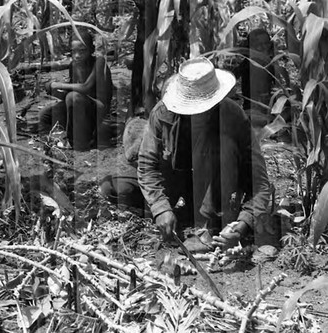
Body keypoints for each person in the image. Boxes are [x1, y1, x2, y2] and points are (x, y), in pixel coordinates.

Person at [137, 57, 272, 252]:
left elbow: (259, 182)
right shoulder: (162, 114)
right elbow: (146, 164)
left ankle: (207, 224)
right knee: (123, 189)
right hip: (177, 181)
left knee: (222, 145)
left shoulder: (233, 116)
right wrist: (161, 208)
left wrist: (243, 225)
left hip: (217, 185)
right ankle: (180, 214)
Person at [38, 29, 113, 151]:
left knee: (72, 97)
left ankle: (77, 141)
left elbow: (85, 87)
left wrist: (58, 85)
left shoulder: (99, 62)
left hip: (98, 108)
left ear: (91, 50)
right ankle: (48, 140)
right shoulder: (74, 65)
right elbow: (72, 90)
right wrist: (53, 90)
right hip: (80, 104)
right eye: (74, 52)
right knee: (45, 114)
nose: (77, 55)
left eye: (82, 51)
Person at [232, 28, 290, 128]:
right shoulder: (247, 64)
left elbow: (278, 85)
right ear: (250, 47)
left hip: (268, 107)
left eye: (266, 44)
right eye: (258, 45)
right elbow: (232, 78)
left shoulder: (270, 64)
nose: (263, 48)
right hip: (252, 110)